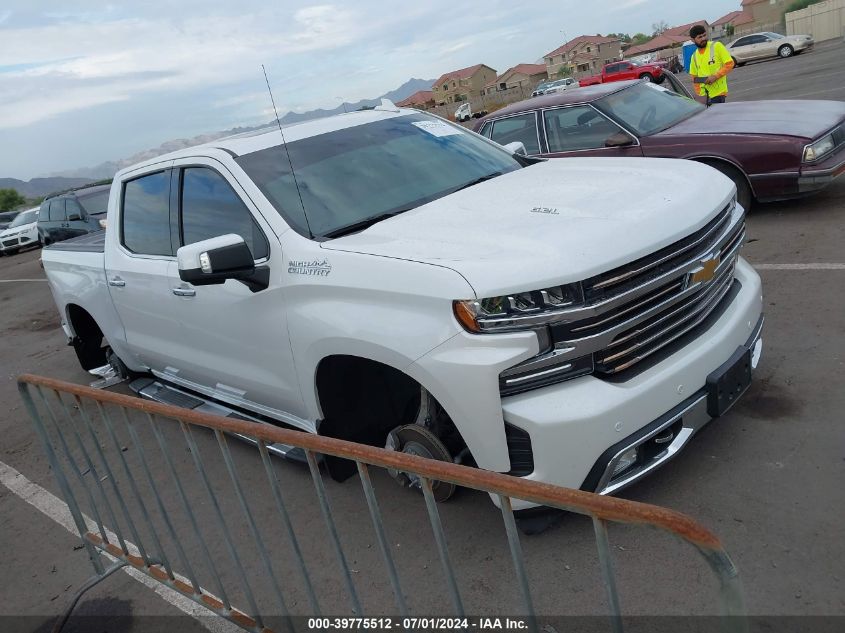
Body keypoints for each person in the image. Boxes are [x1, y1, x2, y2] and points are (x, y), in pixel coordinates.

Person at [688, 24, 734, 105]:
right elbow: (694, 78)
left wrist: (715, 76)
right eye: (700, 37)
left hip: (718, 93)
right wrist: (700, 95)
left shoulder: (716, 46)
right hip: (704, 97)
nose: (703, 38)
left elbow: (729, 63)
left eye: (704, 35)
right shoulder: (694, 56)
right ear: (692, 40)